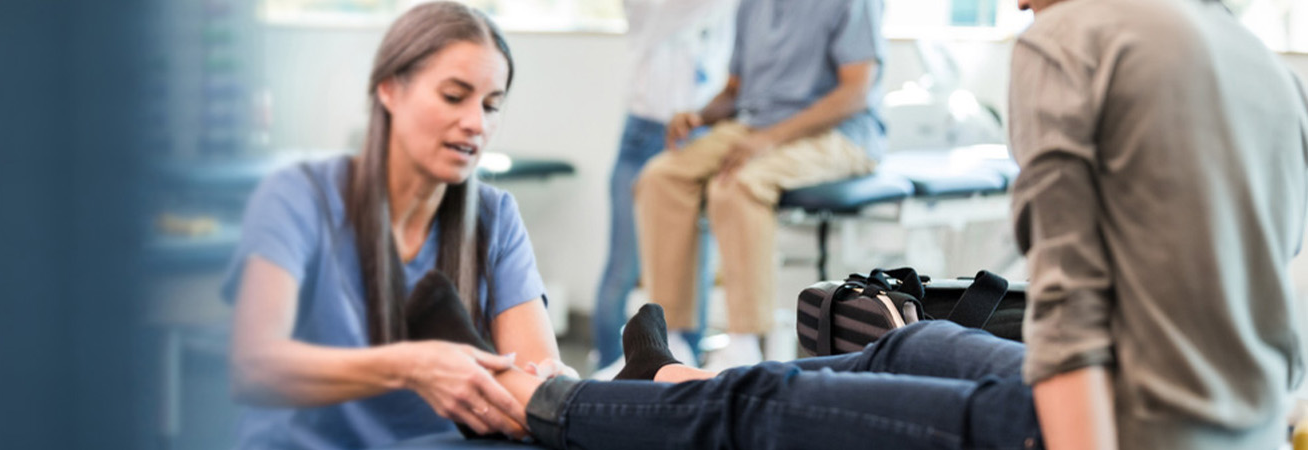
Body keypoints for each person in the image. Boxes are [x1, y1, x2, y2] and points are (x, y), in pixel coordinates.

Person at [404, 0, 1308, 447]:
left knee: (763, 404)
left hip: (1099, 429)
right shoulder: (1255, 57)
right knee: (912, 347)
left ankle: (540, 407)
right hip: (1227, 423)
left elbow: (1070, 318)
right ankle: (665, 374)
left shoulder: (1070, 42)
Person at [221, 3, 568, 448]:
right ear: (389, 89)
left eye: (491, 105)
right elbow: (252, 367)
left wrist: (554, 392)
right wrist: (411, 365)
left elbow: (532, 402)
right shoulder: (299, 196)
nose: (476, 123)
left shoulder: (494, 216)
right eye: (453, 96)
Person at [1008, 0, 1308, 447]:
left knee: (880, 372)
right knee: (928, 344)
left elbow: (1068, 317)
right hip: (1257, 430)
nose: (1019, 4)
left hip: (1130, 427)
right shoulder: (1272, 70)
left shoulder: (1064, 38)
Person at [633, 0, 887, 371]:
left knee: (737, 184)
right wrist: (699, 115)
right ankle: (670, 342)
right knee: (661, 177)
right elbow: (736, 91)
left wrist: (770, 139)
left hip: (839, 134)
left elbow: (855, 92)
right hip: (756, 125)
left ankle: (744, 345)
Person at [590, 0, 736, 377]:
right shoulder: (655, 9)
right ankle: (607, 371)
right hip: (644, 133)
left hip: (699, 131)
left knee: (693, 269)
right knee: (623, 269)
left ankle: (686, 373)